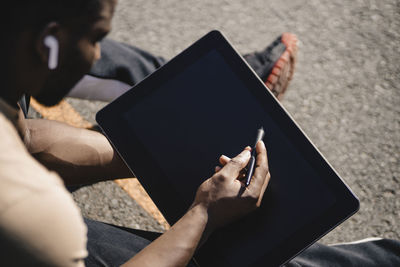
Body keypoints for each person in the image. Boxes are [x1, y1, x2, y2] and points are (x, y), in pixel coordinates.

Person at [0, 0, 399, 267]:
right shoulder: (35, 216)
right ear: (45, 44)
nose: (100, 55)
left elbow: (26, 141)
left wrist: (158, 149)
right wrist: (204, 214)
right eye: (97, 38)